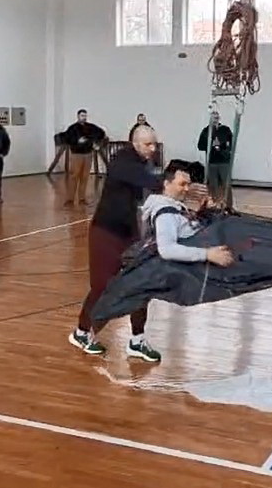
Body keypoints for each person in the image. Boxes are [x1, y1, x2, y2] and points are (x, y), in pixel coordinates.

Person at [69, 125, 163, 359]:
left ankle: (137, 340)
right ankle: (81, 332)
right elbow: (148, 181)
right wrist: (177, 183)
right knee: (102, 286)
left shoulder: (142, 161)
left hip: (129, 232)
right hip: (106, 232)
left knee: (141, 284)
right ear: (135, 143)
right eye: (148, 144)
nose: (152, 148)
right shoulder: (122, 161)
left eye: (154, 143)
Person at [62, 109, 105, 207]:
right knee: (74, 176)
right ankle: (70, 199)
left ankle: (82, 198)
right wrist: (77, 141)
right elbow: (67, 139)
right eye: (82, 116)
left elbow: (101, 133)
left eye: (85, 116)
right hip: (77, 154)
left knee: (84, 177)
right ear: (78, 116)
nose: (84, 118)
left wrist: (95, 142)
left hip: (87, 154)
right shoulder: (72, 128)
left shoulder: (90, 127)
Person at [197, 111, 235, 207]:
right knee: (213, 186)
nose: (215, 120)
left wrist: (224, 150)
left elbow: (231, 143)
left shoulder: (225, 130)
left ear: (219, 119)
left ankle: (228, 206)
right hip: (212, 162)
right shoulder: (206, 131)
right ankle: (215, 205)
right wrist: (210, 144)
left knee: (226, 185)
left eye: (217, 118)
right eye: (213, 118)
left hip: (224, 162)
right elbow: (200, 146)